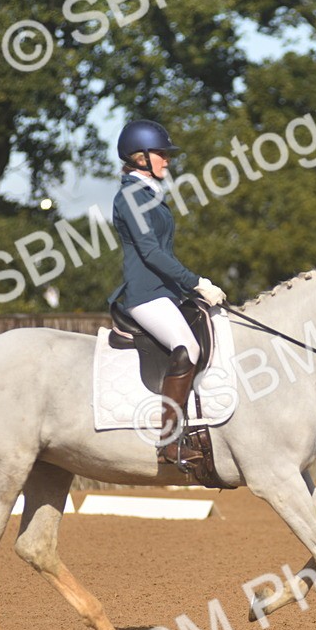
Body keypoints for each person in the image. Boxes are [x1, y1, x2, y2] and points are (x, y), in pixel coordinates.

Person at [109, 119, 227, 466]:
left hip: (166, 290)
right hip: (145, 294)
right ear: (140, 157)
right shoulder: (130, 196)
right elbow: (151, 252)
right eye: (161, 154)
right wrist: (195, 282)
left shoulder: (148, 194)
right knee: (186, 347)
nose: (167, 160)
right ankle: (168, 443)